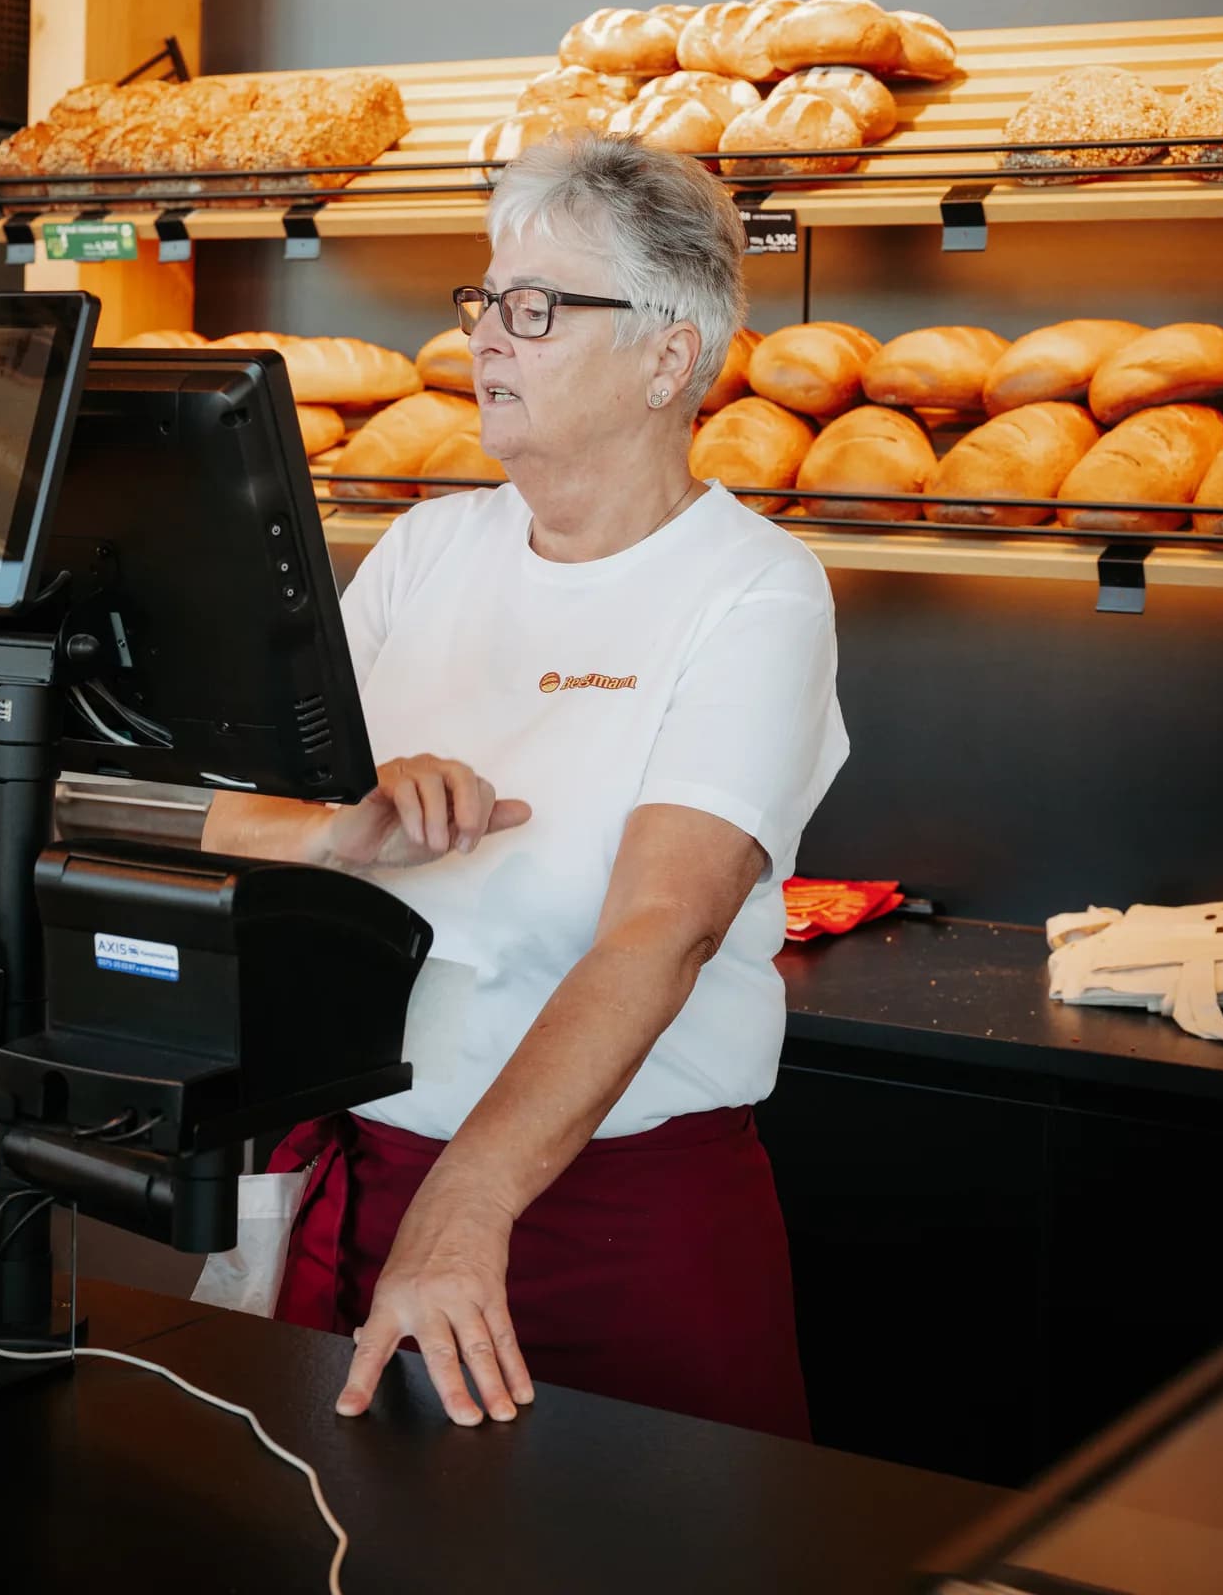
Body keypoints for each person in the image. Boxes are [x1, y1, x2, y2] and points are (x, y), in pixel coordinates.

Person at [203, 131, 848, 1437]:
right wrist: (345, 829)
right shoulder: (426, 549)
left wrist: (467, 1204)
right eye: (486, 300)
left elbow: (660, 930)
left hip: (613, 1232)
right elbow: (217, 816)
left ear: (669, 354)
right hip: (362, 1187)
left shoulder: (752, 591)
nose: (487, 337)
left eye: (538, 308)